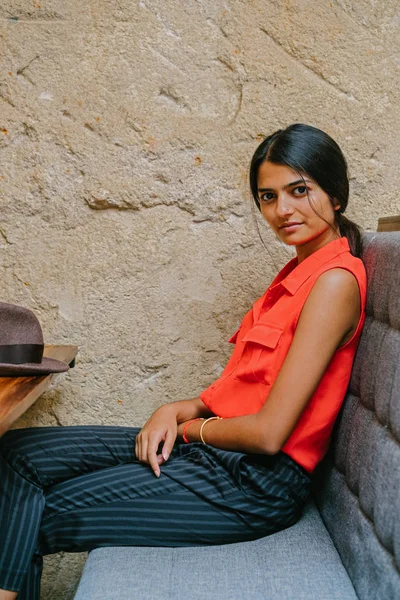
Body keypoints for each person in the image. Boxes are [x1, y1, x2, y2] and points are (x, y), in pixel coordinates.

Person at [0, 123, 367, 600]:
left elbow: (269, 433)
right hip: (218, 452)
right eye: (268, 196)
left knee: (29, 514)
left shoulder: (335, 282)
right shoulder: (295, 275)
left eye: (300, 191)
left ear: (335, 193)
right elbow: (250, 387)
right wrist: (180, 407)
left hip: (252, 485)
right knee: (15, 453)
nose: (282, 210)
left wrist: (191, 428)